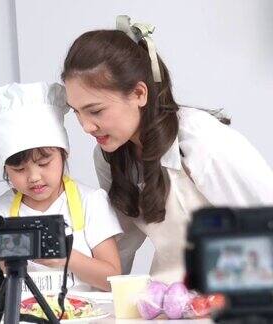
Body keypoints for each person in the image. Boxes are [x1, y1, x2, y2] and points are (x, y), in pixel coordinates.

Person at [60, 15, 273, 283]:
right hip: (165, 300)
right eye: (77, 113)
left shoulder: (201, 141)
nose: (86, 127)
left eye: (96, 111)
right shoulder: (109, 156)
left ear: (139, 93)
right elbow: (121, 247)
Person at [0, 82, 122, 297]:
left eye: (44, 163)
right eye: (19, 169)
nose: (34, 177)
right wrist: (1, 261)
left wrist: (65, 256)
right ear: (6, 169)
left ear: (64, 154)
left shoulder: (90, 202)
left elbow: (113, 279)